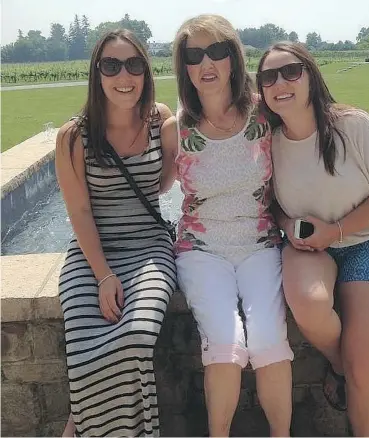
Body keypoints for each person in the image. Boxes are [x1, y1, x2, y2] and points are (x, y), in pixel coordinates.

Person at [256, 42, 369, 437]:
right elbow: (268, 203)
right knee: (309, 304)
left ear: (310, 74)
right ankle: (338, 363)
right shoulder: (269, 142)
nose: (280, 83)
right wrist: (288, 224)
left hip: (366, 241)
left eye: (290, 71)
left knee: (364, 368)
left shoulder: (352, 126)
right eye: (268, 77)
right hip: (307, 245)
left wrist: (337, 231)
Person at [160, 14, 294, 437]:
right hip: (201, 251)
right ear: (184, 66)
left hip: (260, 243)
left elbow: (312, 130)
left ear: (233, 58)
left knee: (270, 342)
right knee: (224, 343)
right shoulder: (174, 130)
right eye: (194, 54)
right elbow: (151, 183)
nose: (207, 62)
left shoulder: (263, 115)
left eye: (217, 50)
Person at [56, 29, 177, 437]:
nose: (123, 75)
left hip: (148, 247)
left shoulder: (161, 121)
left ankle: (81, 425)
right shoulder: (73, 136)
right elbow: (80, 211)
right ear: (97, 72)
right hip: (93, 252)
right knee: (86, 348)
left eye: (134, 64)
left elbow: (162, 184)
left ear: (145, 70)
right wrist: (104, 274)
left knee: (137, 335)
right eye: (111, 65)